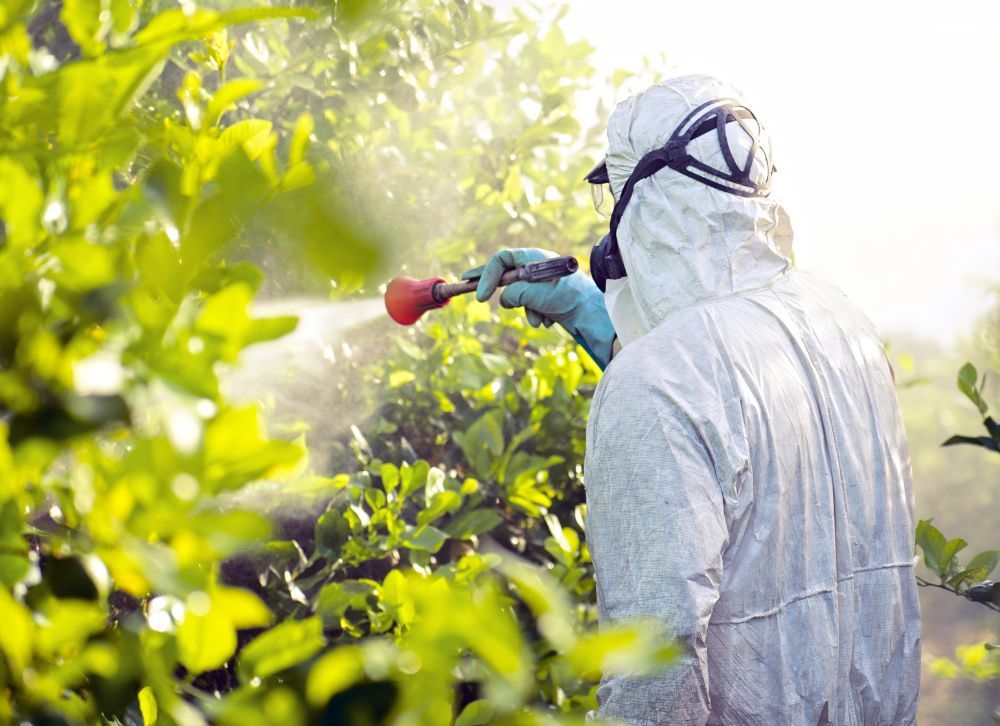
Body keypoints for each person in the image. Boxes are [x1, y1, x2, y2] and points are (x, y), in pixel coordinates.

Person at [465, 74, 921, 725]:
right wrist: (588, 313)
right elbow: (734, 407)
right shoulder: (842, 326)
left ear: (645, 206)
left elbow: (659, 675)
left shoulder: (654, 387)